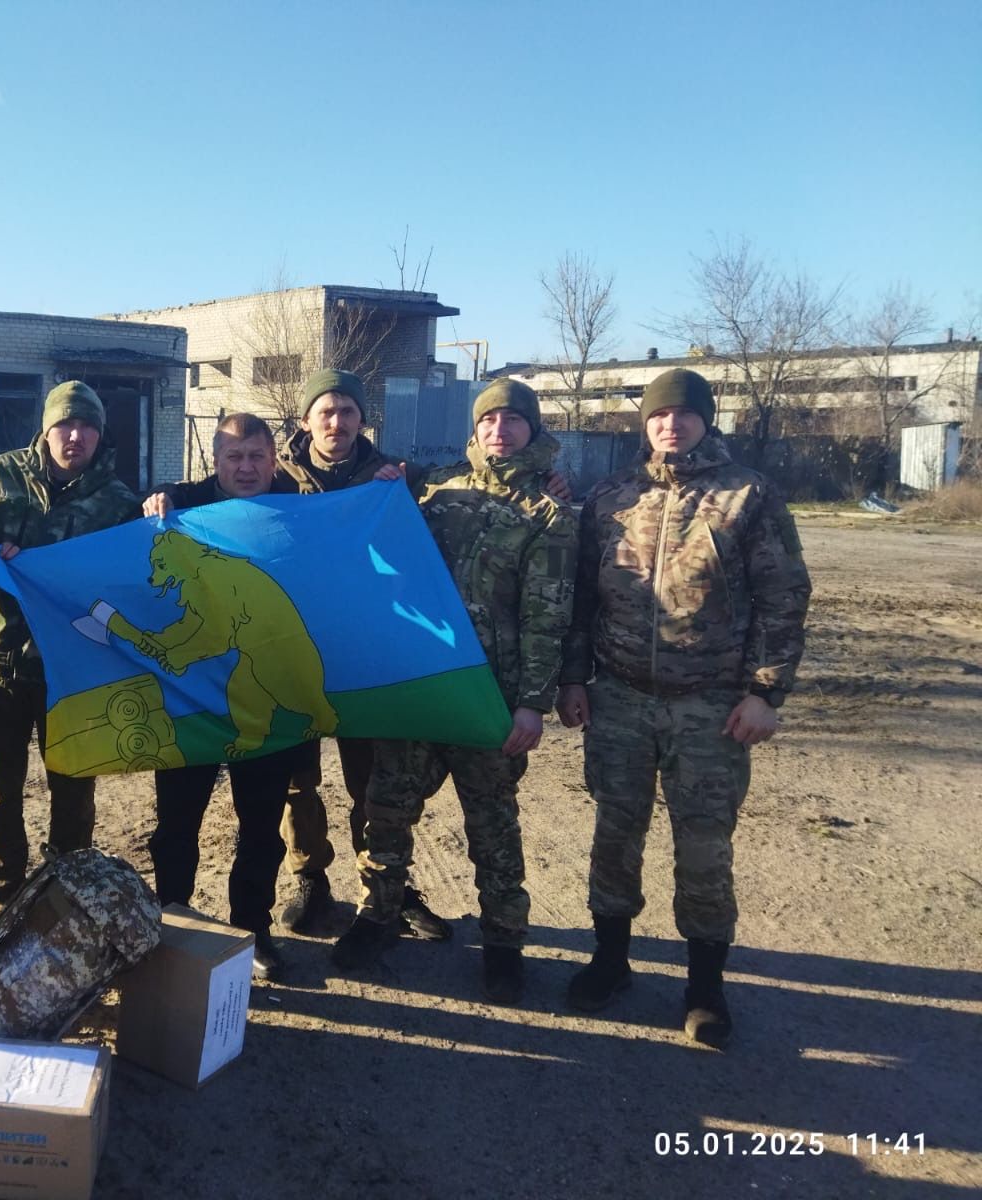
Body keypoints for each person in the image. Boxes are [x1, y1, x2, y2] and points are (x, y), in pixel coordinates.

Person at [557, 368, 811, 1049]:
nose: (672, 425)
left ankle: (705, 987)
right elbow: (582, 598)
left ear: (706, 419)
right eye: (660, 415)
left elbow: (785, 597)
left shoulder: (748, 495)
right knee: (615, 834)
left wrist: (765, 691)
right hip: (619, 698)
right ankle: (610, 962)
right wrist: (574, 678)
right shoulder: (611, 496)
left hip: (711, 705)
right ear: (645, 423)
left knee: (703, 848)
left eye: (685, 414)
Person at [332, 380, 576, 1003]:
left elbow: (548, 614)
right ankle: (377, 915)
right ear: (476, 428)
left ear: (531, 429)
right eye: (489, 419)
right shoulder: (435, 488)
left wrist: (531, 703)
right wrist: (382, 484)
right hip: (422, 686)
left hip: (488, 701)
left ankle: (503, 941)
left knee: (492, 825)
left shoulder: (547, 511)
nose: (499, 429)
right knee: (387, 810)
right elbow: (371, 539)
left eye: (512, 420)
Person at [272, 369, 451, 943]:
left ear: (361, 420)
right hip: (293, 654)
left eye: (348, 411)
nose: (337, 421)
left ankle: (386, 888)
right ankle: (309, 878)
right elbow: (217, 498)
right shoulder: (274, 478)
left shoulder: (395, 476)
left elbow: (469, 489)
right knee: (296, 780)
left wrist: (550, 480)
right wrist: (168, 498)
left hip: (367, 653)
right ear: (306, 420)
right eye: (325, 410)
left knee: (370, 783)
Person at [0, 381, 142, 916]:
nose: (76, 436)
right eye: (65, 424)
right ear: (45, 428)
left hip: (75, 669)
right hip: (0, 663)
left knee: (73, 790)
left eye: (87, 426)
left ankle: (68, 889)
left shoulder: (117, 501)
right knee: (0, 790)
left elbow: (132, 579)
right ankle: (2, 894)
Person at [141, 413, 301, 979]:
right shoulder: (177, 503)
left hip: (264, 697)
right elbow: (120, 548)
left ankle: (252, 930)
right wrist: (149, 507)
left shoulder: (298, 510)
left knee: (261, 827)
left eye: (257, 455)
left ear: (274, 458)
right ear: (216, 461)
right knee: (176, 825)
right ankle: (173, 923)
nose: (247, 467)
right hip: (190, 701)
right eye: (234, 457)